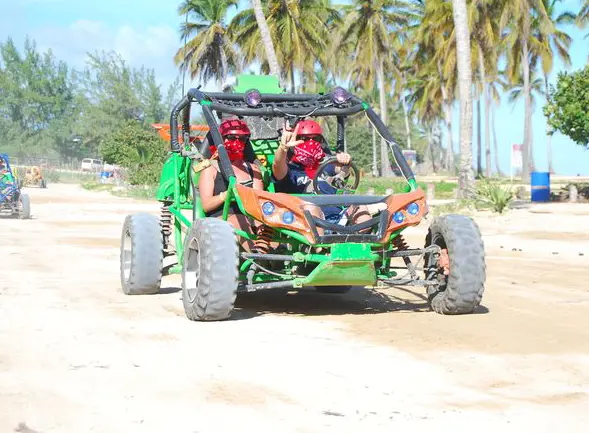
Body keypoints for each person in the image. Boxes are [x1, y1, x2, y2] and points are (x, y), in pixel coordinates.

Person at [272, 119, 371, 230]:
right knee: (312, 209)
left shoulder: (328, 164)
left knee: (361, 208)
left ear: (321, 141)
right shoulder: (290, 169)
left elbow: (342, 171)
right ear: (296, 140)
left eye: (315, 138)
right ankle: (321, 247)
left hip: (337, 217)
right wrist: (283, 148)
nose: (310, 142)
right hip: (305, 221)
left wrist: (345, 162)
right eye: (304, 139)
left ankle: (361, 244)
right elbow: (277, 166)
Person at [197, 118, 265, 251]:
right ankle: (258, 258)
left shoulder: (253, 169)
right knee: (241, 222)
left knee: (269, 223)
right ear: (222, 140)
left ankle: (278, 257)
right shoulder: (210, 168)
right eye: (232, 137)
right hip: (224, 215)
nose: (237, 142)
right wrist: (225, 195)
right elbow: (206, 205)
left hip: (251, 214)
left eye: (242, 138)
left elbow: (259, 200)